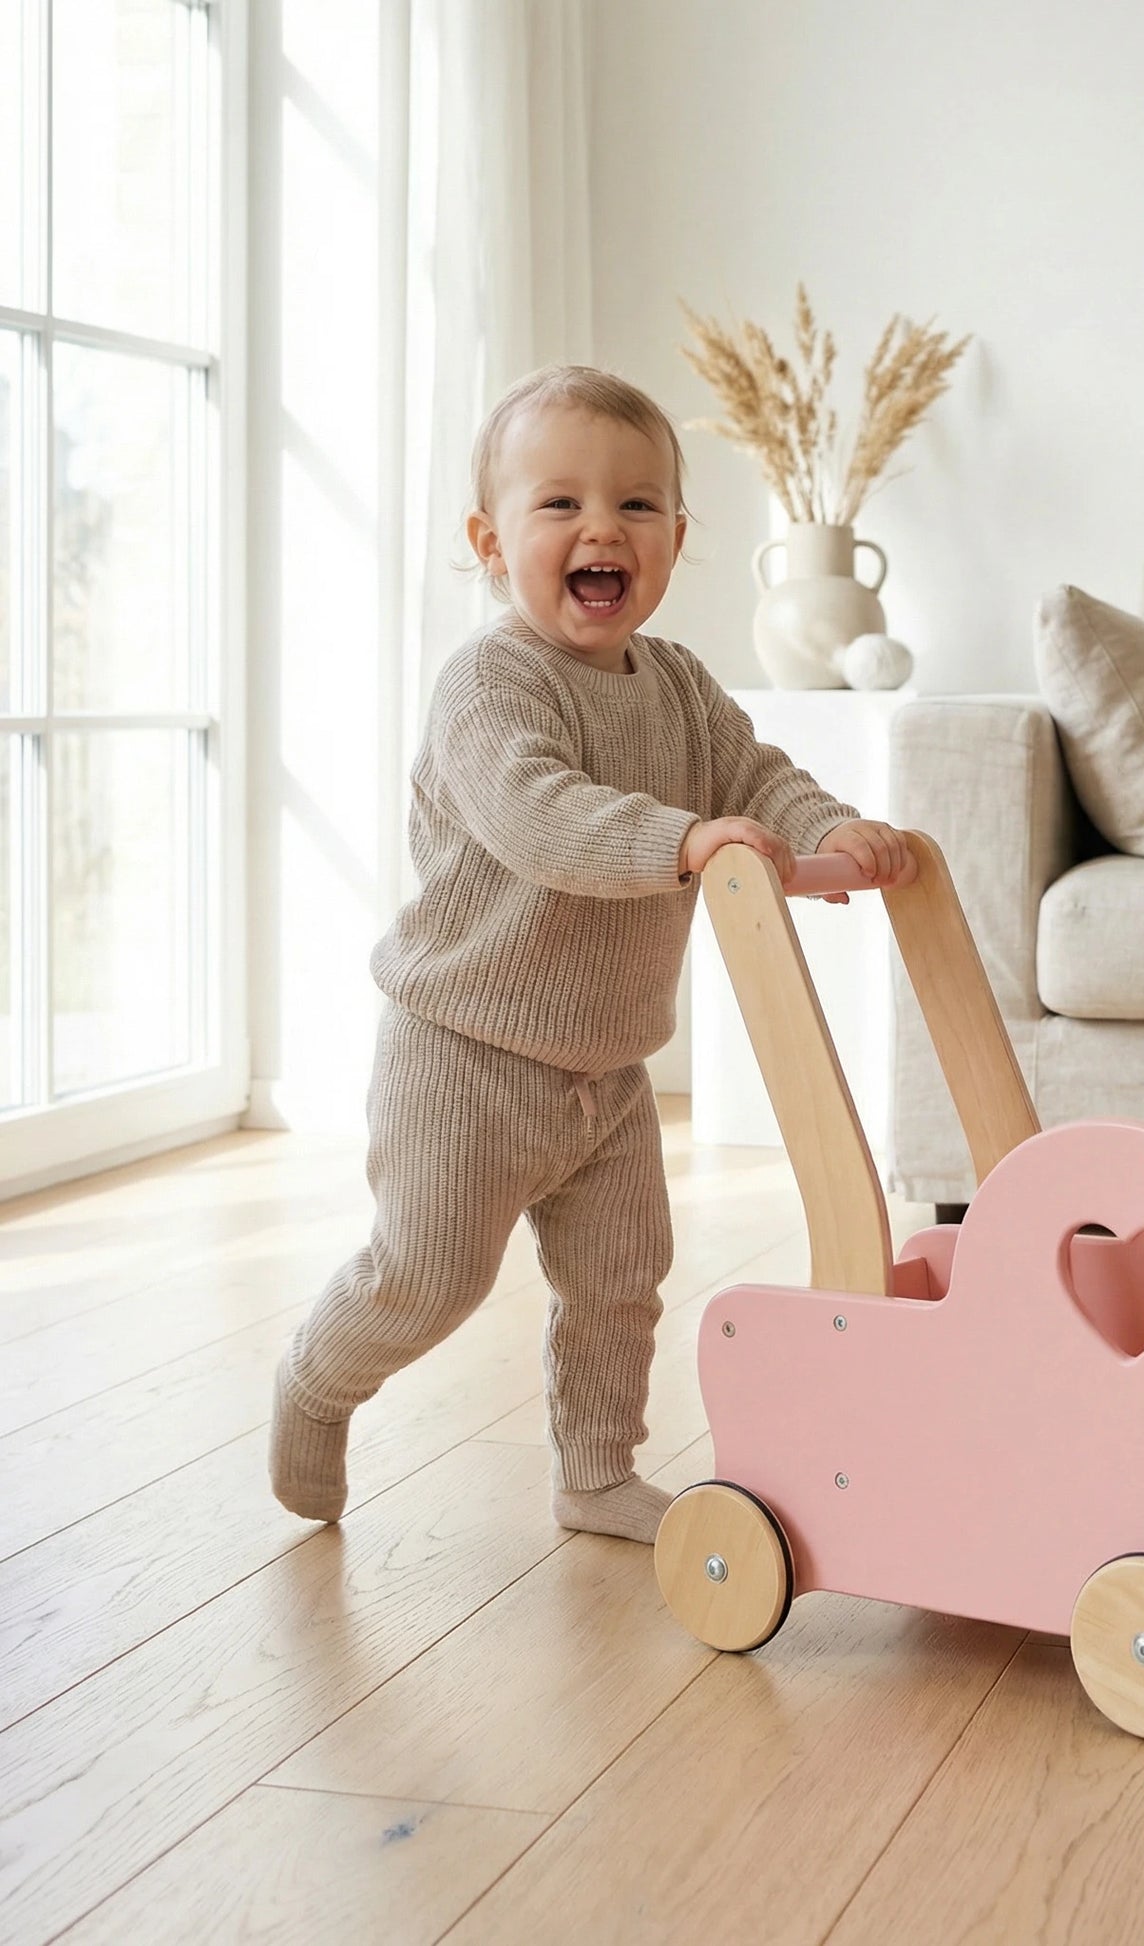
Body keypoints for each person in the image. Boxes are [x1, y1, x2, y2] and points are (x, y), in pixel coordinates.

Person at [269, 364, 909, 1544]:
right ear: (489, 541)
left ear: (676, 539)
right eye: (559, 503)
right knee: (428, 1277)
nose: (601, 528)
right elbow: (538, 814)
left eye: (636, 504)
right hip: (463, 1054)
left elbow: (754, 774)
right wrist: (683, 839)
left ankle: (596, 1469)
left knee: (621, 1280)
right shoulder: (488, 683)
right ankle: (315, 1381)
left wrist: (827, 827)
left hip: (606, 1068)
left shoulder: (678, 685)